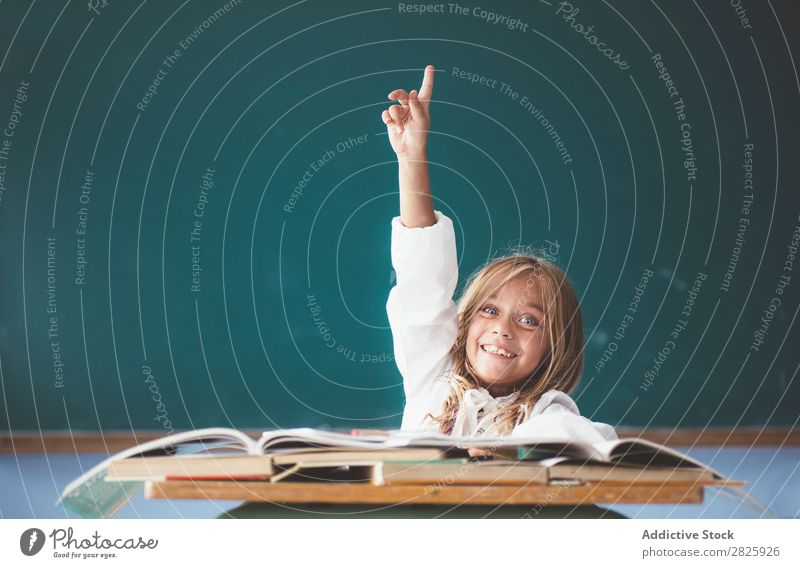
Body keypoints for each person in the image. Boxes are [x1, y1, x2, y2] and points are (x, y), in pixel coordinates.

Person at [382, 65, 618, 444]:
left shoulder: (544, 413)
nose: (502, 329)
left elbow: (586, 441)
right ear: (463, 324)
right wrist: (411, 157)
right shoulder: (433, 374)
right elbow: (422, 276)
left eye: (529, 320)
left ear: (555, 347)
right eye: (489, 310)